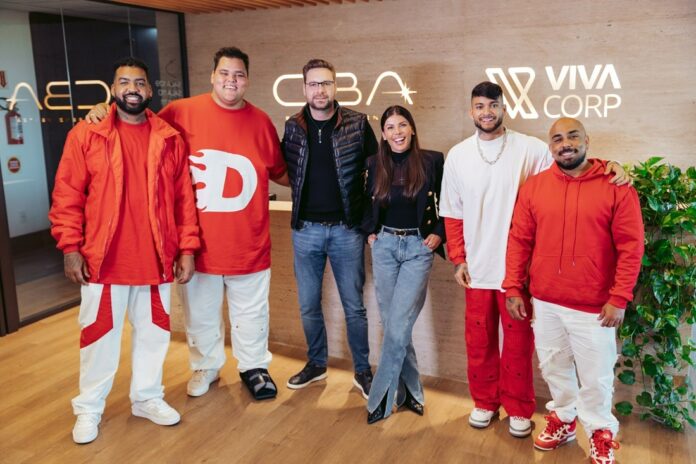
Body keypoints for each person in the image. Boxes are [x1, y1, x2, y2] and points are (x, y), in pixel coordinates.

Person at [86, 47, 289, 401]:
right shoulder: (180, 113)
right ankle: (206, 365)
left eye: (239, 75)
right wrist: (103, 110)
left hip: (249, 242)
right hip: (198, 245)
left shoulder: (260, 121)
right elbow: (136, 120)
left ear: (247, 80)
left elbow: (281, 172)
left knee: (252, 313)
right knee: (201, 313)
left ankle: (254, 367)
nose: (231, 81)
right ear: (212, 76)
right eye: (224, 73)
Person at [438, 81, 629, 438]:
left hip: (520, 273)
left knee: (518, 345)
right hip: (476, 270)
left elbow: (570, 168)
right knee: (478, 342)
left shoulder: (531, 148)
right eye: (479, 106)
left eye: (492, 105)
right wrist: (459, 258)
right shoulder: (458, 155)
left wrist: (609, 165)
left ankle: (519, 407)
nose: (486, 112)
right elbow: (453, 213)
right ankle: (484, 402)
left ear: (503, 107)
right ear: (471, 111)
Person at [49, 57, 200, 444]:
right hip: (103, 261)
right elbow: (67, 195)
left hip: (155, 259)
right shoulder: (87, 134)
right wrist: (70, 247)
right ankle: (88, 408)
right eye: (124, 82)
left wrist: (186, 249)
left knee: (154, 336)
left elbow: (184, 199)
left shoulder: (169, 137)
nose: (132, 88)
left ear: (149, 90)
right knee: (98, 338)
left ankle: (146, 398)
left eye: (139, 82)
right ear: (113, 89)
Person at [503, 117, 643, 464]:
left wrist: (619, 297)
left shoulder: (615, 185)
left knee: (596, 377)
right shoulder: (535, 187)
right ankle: (564, 420)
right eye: (557, 139)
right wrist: (514, 287)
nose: (565, 144)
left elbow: (631, 246)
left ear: (586, 140)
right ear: (550, 146)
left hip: (593, 306)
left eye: (572, 136)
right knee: (554, 368)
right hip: (546, 301)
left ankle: (600, 433)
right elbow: (519, 240)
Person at [282, 59, 378, 398]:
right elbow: (286, 169)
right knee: (308, 304)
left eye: (325, 83)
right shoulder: (293, 126)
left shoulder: (357, 123)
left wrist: (368, 221)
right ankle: (316, 363)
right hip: (305, 229)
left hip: (346, 230)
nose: (319, 90)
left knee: (354, 306)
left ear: (335, 86)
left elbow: (377, 173)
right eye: (313, 84)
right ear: (304, 88)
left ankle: (363, 370)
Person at [360, 106, 445, 424]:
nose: (397, 132)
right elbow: (363, 201)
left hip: (417, 248)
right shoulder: (374, 164)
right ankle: (411, 392)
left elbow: (451, 202)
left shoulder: (432, 161)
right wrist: (369, 232)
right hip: (384, 246)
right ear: (383, 134)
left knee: (397, 324)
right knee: (396, 324)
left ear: (412, 129)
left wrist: (439, 232)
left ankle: (380, 398)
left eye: (402, 125)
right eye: (391, 127)